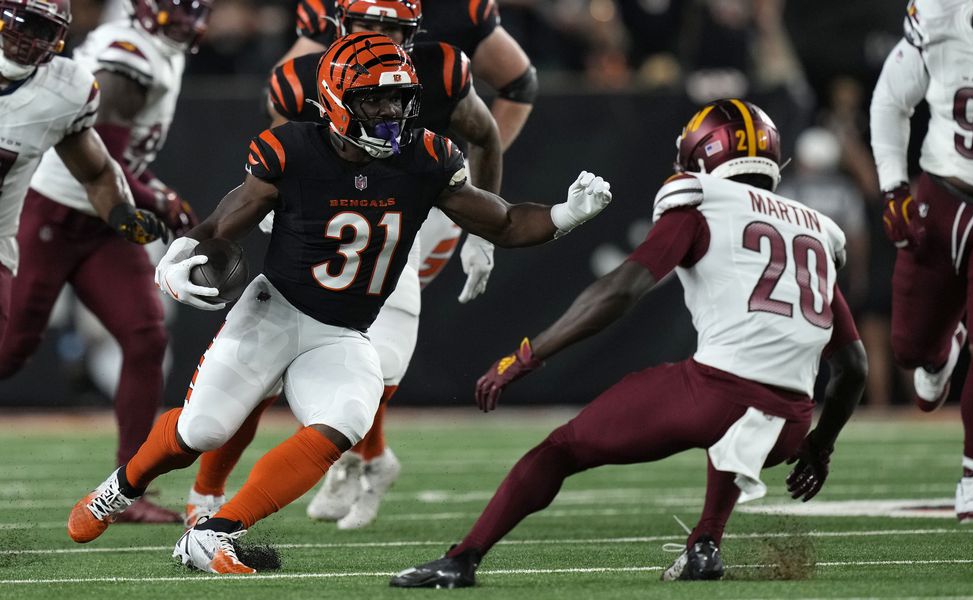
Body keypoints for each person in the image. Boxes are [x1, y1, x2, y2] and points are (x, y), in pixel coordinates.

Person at [67, 33, 612, 575]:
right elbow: (220, 226)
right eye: (374, 99)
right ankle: (117, 489)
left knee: (348, 417)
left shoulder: (425, 157)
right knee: (202, 431)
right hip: (273, 312)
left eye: (398, 98)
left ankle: (213, 535)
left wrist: (565, 215)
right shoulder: (294, 149)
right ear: (335, 99)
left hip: (342, 330)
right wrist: (182, 257)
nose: (389, 112)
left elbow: (506, 221)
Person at [390, 99, 868, 588]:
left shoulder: (701, 199)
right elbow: (853, 366)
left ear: (703, 153)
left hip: (714, 396)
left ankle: (462, 559)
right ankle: (704, 546)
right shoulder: (815, 228)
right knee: (735, 418)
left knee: (559, 450)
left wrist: (529, 355)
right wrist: (819, 447)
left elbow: (621, 290)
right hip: (791, 420)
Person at [181, 0, 504, 531]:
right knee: (255, 375)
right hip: (315, 232)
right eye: (366, 25)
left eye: (392, 29)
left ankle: (361, 456)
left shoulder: (443, 68)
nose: (378, 35)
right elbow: (274, 160)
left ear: (414, 33)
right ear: (336, 27)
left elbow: (490, 130)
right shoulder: (296, 78)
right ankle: (207, 493)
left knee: (375, 370)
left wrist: (481, 231)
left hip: (401, 223)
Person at [0, 0, 211, 524]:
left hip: (101, 216)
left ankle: (126, 489)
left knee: (146, 336)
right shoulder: (125, 61)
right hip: (48, 212)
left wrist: (135, 206)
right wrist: (158, 197)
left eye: (195, 10)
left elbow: (102, 168)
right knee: (9, 349)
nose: (187, 19)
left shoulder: (69, 83)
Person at [869, 0, 973, 522]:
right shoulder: (943, 16)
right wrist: (893, 188)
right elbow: (888, 102)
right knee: (908, 349)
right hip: (941, 196)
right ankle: (941, 350)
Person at [0, 0, 165, 331]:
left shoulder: (63, 93)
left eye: (42, 29)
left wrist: (121, 213)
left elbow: (97, 171)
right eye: (22, 23)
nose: (28, 38)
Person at [293, 0, 535, 150]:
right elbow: (286, 92)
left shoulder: (459, 11)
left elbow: (519, 84)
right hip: (343, 167)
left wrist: (474, 168)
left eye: (389, 28)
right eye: (367, 26)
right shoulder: (327, 10)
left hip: (428, 173)